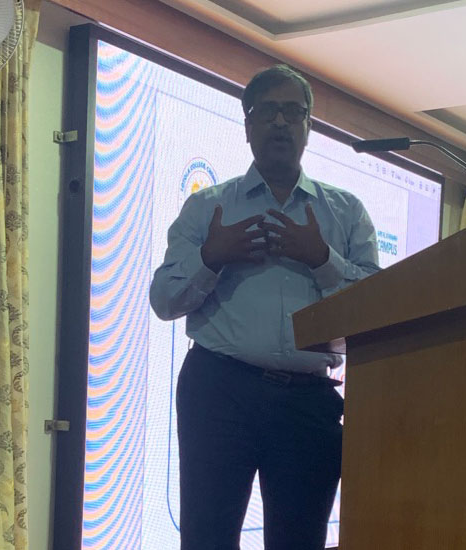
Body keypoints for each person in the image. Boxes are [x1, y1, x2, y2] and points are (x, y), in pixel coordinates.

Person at [149, 64, 381, 550]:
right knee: (207, 539)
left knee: (299, 541)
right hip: (219, 390)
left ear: (309, 127)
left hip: (307, 402)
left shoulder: (345, 213)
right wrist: (213, 257)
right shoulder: (208, 208)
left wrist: (322, 259)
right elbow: (164, 300)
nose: (280, 122)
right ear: (248, 124)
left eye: (293, 112)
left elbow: (377, 310)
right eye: (268, 111)